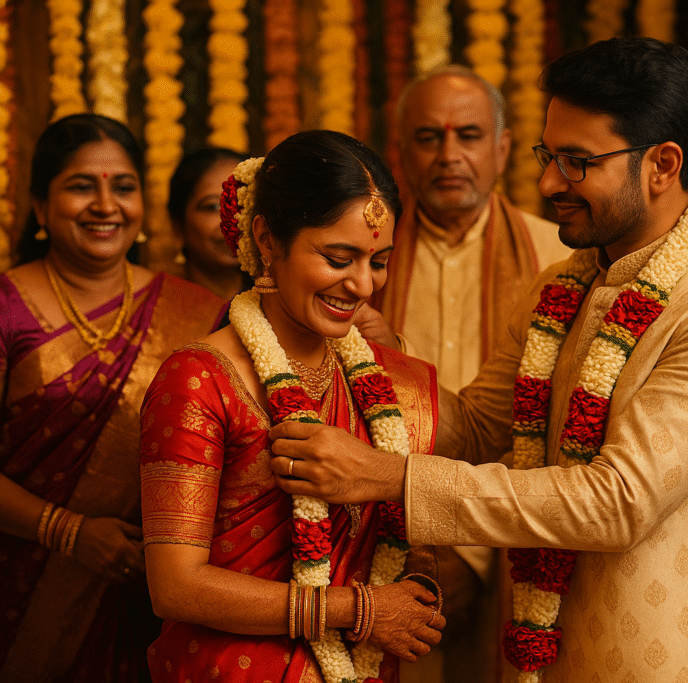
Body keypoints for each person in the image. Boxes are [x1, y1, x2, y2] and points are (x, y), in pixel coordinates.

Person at [272, 38, 688, 683]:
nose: (548, 183)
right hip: (538, 652)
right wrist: (350, 353)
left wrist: (390, 477)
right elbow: (480, 428)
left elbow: (617, 501)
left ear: (662, 164)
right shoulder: (559, 289)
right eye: (550, 156)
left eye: (576, 162)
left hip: (664, 661)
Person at [140, 130, 446, 683]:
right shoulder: (199, 379)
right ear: (268, 240)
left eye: (377, 261)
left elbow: (401, 531)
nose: (361, 285)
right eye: (338, 257)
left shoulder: (385, 380)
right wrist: (360, 610)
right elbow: (175, 585)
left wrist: (416, 585)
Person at [0, 113, 228, 681]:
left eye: (123, 187)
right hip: (22, 592)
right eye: (82, 186)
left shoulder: (198, 312)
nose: (106, 205)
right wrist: (67, 531)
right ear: (39, 206)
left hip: (157, 598)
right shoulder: (5, 309)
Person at [366, 64, 571, 683]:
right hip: (381, 544)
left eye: (469, 136)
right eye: (428, 137)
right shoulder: (359, 259)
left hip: (519, 541)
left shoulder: (558, 257)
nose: (449, 155)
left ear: (504, 148)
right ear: (399, 153)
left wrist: (475, 556)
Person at [168, 147, 250, 300]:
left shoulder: (280, 304)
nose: (234, 219)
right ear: (178, 225)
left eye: (242, 204)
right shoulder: (157, 310)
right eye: (213, 207)